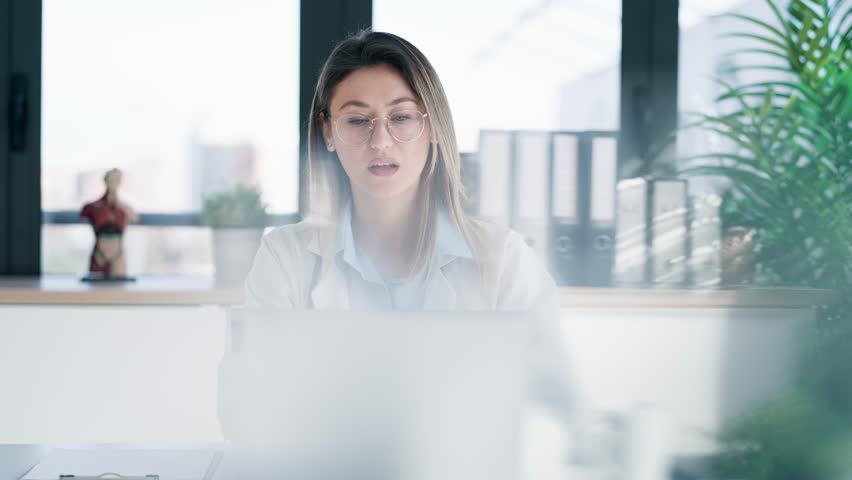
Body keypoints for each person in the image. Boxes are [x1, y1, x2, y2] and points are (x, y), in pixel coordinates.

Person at [236, 28, 574, 429]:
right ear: (328, 132)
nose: (380, 141)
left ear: (432, 127)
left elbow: (553, 408)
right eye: (357, 120)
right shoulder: (285, 258)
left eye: (401, 117)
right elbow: (248, 409)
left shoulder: (503, 259)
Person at [80, 168, 138, 277]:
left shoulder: (125, 209)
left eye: (117, 179)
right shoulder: (93, 207)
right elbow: (84, 213)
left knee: (118, 285)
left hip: (118, 255)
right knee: (96, 284)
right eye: (111, 179)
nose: (113, 183)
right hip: (99, 254)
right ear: (105, 180)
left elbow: (134, 218)